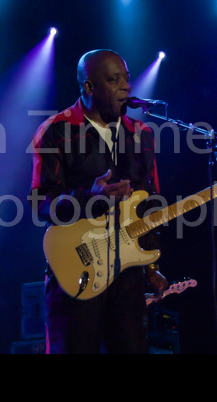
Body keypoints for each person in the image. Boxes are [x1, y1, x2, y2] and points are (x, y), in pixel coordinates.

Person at [29, 49, 168, 354]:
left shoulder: (141, 133)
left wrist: (151, 266)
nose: (126, 87)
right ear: (89, 87)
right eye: (114, 79)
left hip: (128, 274)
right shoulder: (56, 130)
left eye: (127, 80)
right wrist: (90, 198)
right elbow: (41, 203)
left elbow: (151, 204)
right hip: (77, 270)